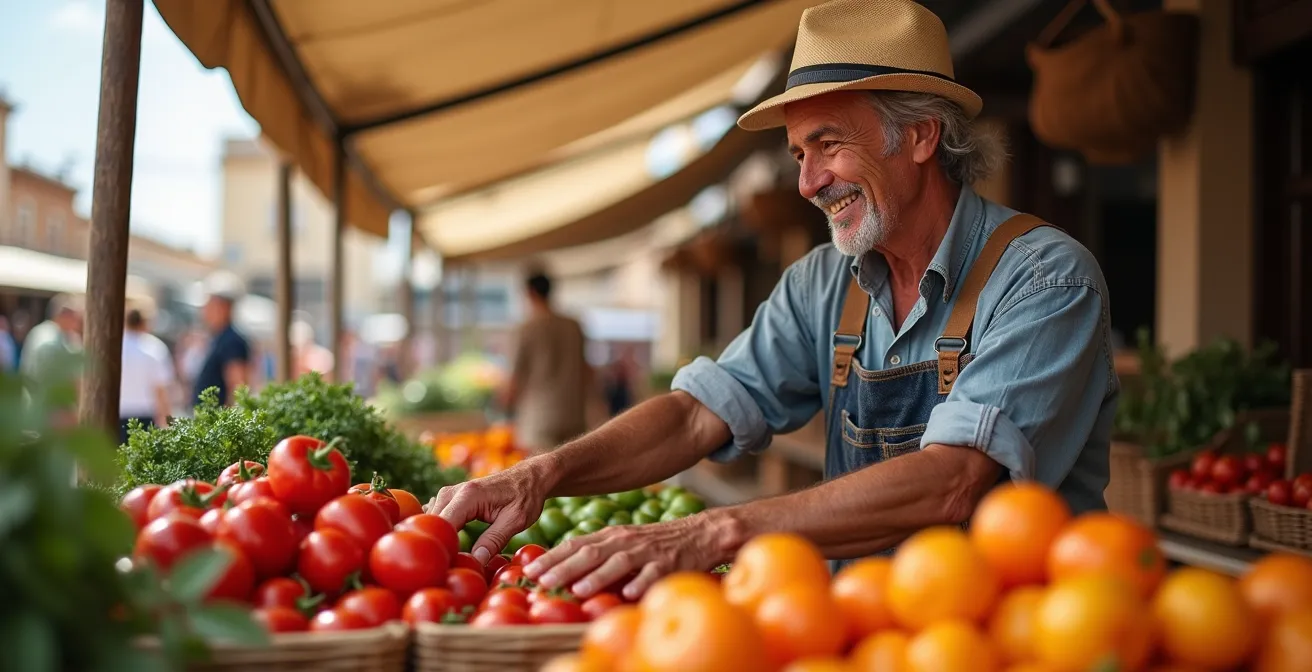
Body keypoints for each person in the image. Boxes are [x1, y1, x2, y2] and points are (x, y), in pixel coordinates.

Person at [428, 0, 1116, 601]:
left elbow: (952, 482)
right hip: (866, 632)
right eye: (796, 155)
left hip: (1020, 636)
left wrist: (718, 529)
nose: (808, 183)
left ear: (919, 135)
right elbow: (698, 418)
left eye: (827, 145)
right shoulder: (821, 284)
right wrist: (542, 475)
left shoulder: (1045, 278)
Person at [500, 271, 591, 453]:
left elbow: (515, 378)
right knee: (575, 475)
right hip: (574, 416)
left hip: (539, 420)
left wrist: (504, 404)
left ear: (530, 293)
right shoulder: (574, 326)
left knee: (541, 475)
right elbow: (587, 371)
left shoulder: (526, 329)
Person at [192, 274, 251, 407]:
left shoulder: (232, 341)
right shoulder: (219, 337)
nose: (204, 310)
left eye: (209, 305)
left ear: (223, 307)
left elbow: (238, 387)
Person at [119, 308, 175, 444]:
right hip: (144, 418)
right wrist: (168, 422)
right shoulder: (153, 348)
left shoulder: (115, 346)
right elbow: (161, 389)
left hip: (115, 415)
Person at [19, 293, 84, 394]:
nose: (79, 322)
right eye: (77, 317)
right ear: (65, 315)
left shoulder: (49, 333)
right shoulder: (49, 339)